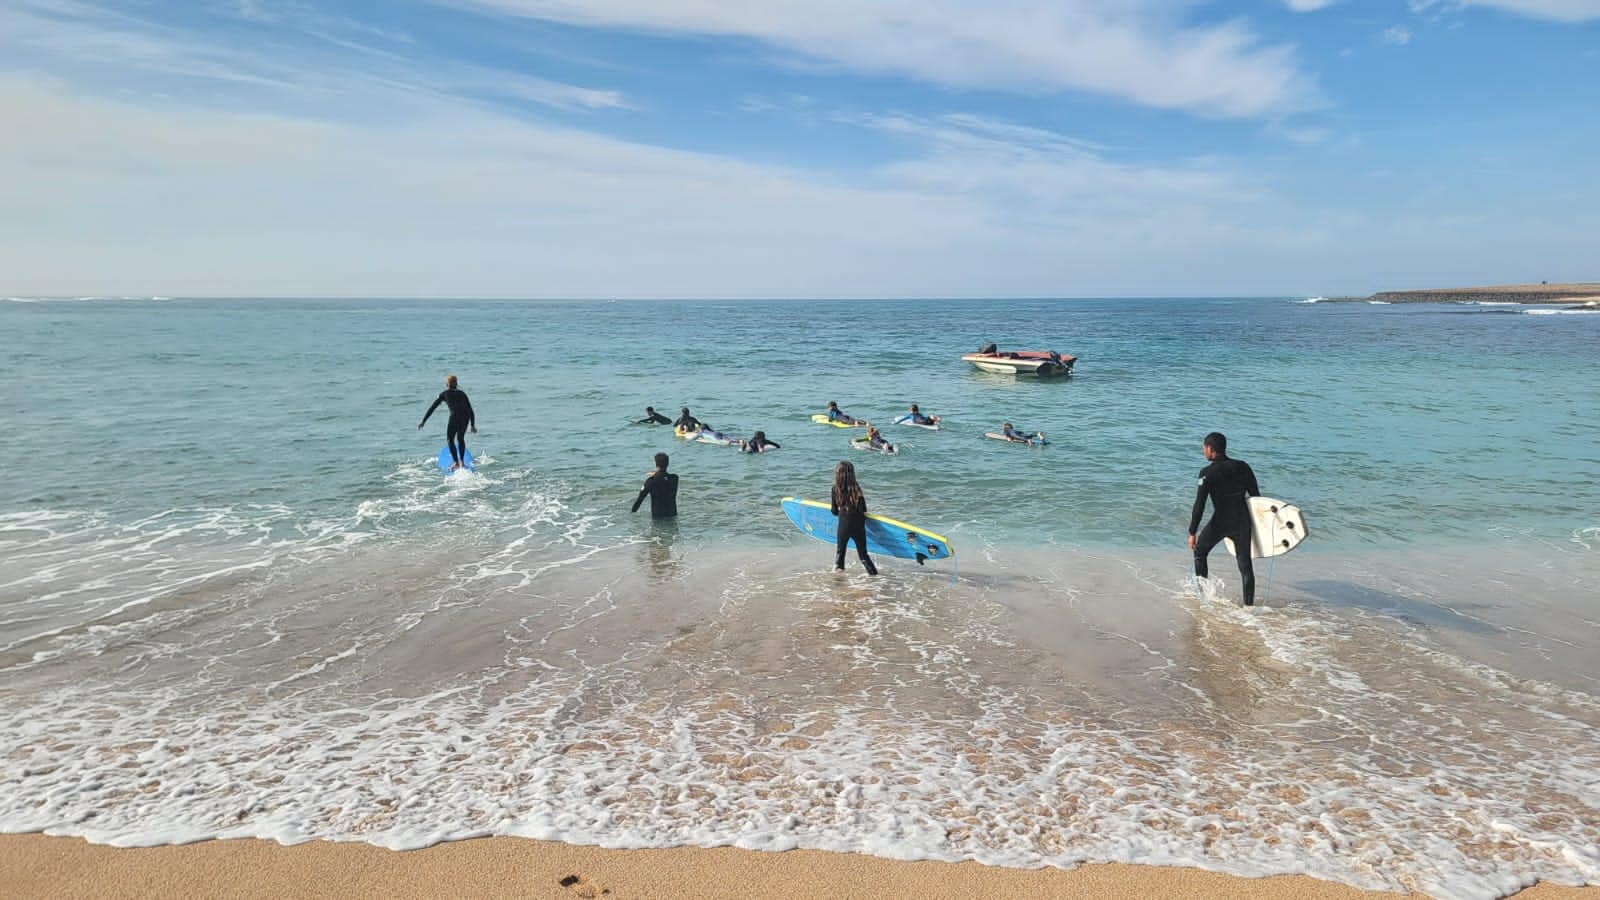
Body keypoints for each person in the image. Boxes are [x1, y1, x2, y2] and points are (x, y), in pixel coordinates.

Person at [1187, 431, 1262, 606]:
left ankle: (1203, 598)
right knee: (1245, 566)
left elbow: (1199, 505)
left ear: (1210, 448)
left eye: (1204, 448)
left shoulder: (1206, 473)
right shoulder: (1243, 466)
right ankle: (1248, 608)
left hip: (1221, 521)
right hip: (1242, 521)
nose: (1203, 451)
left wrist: (1192, 532)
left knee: (1199, 552)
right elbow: (1256, 497)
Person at [418, 374, 476, 470]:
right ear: (456, 384)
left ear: (447, 384)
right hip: (465, 418)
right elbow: (470, 410)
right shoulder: (462, 393)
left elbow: (432, 408)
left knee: (450, 440)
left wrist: (423, 421)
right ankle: (462, 462)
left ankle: (456, 463)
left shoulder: (444, 394)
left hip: (454, 417)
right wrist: (473, 425)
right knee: (460, 439)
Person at [831, 460, 878, 575]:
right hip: (858, 527)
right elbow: (863, 509)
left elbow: (834, 511)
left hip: (844, 526)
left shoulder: (835, 489)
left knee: (840, 553)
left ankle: (838, 581)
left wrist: (841, 511)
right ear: (852, 474)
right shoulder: (857, 489)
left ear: (837, 474)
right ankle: (875, 578)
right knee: (863, 555)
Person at [631, 452, 679, 519]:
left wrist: (632, 514)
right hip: (672, 516)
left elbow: (639, 500)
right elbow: (665, 477)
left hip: (658, 518)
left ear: (656, 464)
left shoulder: (651, 481)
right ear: (667, 464)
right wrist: (657, 474)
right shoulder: (674, 478)